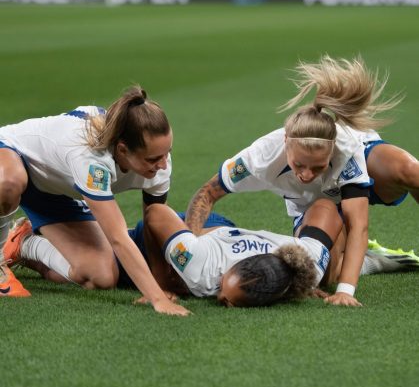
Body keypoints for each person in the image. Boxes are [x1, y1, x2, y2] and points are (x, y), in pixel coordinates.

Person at [184, 55, 413, 307]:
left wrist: (347, 291)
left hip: (365, 173)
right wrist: (191, 246)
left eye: (318, 167)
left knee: (411, 171)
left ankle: (351, 253)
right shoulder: (259, 157)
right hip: (314, 208)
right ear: (286, 143)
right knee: (322, 277)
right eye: (299, 165)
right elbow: (207, 193)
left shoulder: (347, 151)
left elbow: (358, 223)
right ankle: (373, 260)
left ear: (332, 151)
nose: (306, 174)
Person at [0, 85, 189, 316]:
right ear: (122, 150)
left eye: (167, 153)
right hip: (10, 154)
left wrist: (161, 284)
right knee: (7, 182)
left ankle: (23, 244)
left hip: (57, 188)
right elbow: (117, 237)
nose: (163, 164)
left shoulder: (159, 165)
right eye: (153, 159)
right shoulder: (90, 157)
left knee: (101, 276)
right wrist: (157, 299)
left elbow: (154, 222)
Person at [5, 202, 418, 306]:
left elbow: (329, 208)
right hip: (181, 234)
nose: (219, 297)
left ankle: (373, 260)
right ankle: (24, 241)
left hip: (220, 236)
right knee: (98, 275)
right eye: (224, 291)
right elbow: (155, 215)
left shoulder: (300, 260)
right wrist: (161, 286)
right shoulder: (201, 270)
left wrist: (320, 276)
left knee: (329, 273)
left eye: (226, 301)